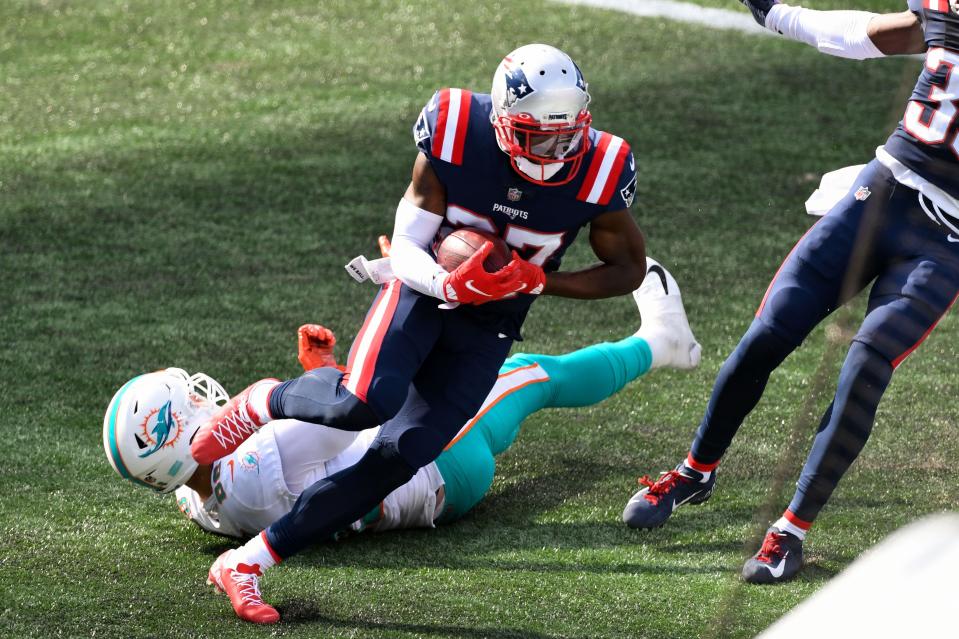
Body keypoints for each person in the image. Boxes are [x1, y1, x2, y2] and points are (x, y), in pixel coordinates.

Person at [181, 43, 653, 622]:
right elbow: (405, 242)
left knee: (401, 454)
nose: (558, 152)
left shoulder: (601, 166)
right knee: (361, 402)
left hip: (494, 319)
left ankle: (246, 564)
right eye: (539, 137)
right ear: (503, 124)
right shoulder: (457, 128)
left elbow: (628, 270)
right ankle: (264, 400)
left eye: (569, 135)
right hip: (424, 288)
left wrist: (537, 280)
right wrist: (447, 284)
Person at [103, 259, 701, 622]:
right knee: (529, 374)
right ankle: (662, 342)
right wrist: (323, 374)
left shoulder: (197, 497)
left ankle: (658, 344)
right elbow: (356, 411)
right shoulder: (257, 463)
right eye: (191, 405)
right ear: (182, 435)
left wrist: (323, 372)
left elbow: (326, 448)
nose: (204, 399)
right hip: (435, 463)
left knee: (517, 376)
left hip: (410, 483)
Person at [623, 0, 959, 585]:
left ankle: (791, 531)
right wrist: (779, 14)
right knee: (768, 334)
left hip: (946, 241)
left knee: (865, 364)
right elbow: (870, 35)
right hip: (881, 191)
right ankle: (695, 470)